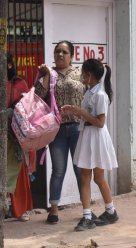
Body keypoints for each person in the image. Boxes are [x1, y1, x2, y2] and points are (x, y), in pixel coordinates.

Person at [62, 58, 118, 232]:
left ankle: (99, 214)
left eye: (83, 73)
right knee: (87, 177)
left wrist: (80, 112)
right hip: (88, 137)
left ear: (90, 74)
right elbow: (88, 117)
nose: (81, 76)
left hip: (97, 138)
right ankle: (106, 212)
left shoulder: (100, 95)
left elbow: (100, 123)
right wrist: (75, 111)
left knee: (97, 178)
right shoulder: (89, 92)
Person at [35, 40, 85, 224]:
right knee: (58, 170)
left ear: (72, 56)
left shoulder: (80, 73)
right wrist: (46, 75)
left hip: (79, 128)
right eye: (57, 51)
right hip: (58, 131)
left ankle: (86, 209)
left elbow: (90, 94)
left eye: (64, 52)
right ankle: (54, 209)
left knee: (81, 170)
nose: (60, 55)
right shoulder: (50, 73)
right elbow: (38, 96)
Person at [6, 53, 35, 222]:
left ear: (9, 65)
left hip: (15, 136)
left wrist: (12, 112)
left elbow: (28, 108)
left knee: (18, 174)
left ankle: (20, 209)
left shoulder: (20, 83)